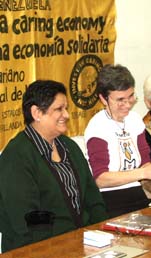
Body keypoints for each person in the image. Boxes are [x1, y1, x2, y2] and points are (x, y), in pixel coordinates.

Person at [0, 80, 108, 253]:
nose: (66, 114)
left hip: (83, 243)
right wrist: (58, 249)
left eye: (66, 108)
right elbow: (26, 221)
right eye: (59, 109)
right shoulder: (16, 156)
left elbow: (93, 197)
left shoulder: (69, 146)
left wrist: (101, 234)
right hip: (37, 250)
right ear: (36, 113)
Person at [84, 64, 151, 218]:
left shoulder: (134, 120)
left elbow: (144, 161)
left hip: (136, 193)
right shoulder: (97, 127)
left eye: (131, 97)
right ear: (103, 99)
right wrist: (143, 172)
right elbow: (100, 179)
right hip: (108, 199)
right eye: (120, 100)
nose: (128, 104)